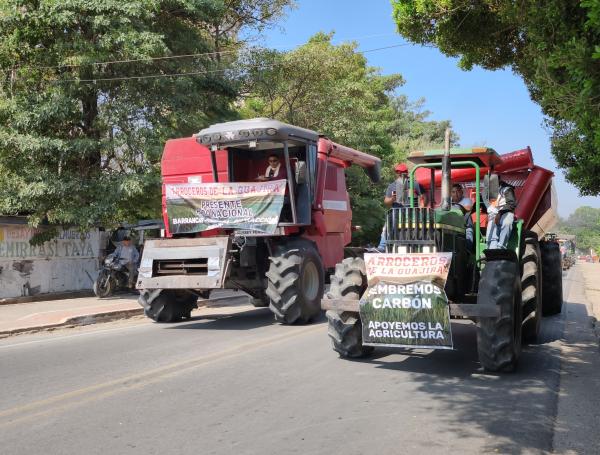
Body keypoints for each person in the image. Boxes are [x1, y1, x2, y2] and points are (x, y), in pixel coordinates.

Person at [378, 163, 425, 251]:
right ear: (396, 173)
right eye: (398, 172)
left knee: (421, 224)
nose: (400, 174)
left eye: (403, 172)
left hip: (411, 211)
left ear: (407, 173)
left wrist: (421, 208)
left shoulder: (414, 184)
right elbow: (386, 202)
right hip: (396, 211)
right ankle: (382, 247)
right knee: (387, 226)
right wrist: (393, 199)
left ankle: (420, 247)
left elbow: (424, 197)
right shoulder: (392, 186)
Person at [486, 178, 517, 249]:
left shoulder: (507, 189)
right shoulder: (490, 191)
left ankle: (501, 247)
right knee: (491, 232)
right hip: (494, 213)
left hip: (506, 212)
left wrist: (499, 213)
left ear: (499, 180)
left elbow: (511, 204)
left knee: (507, 222)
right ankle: (491, 249)